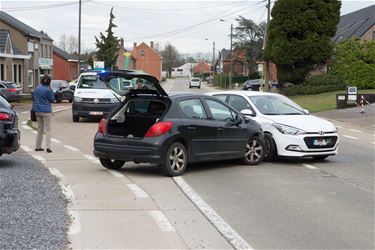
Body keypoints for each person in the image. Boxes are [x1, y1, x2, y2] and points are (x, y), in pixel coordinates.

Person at [33, 74, 54, 153]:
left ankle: (38, 146)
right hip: (46, 111)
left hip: (37, 110)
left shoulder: (37, 88)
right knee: (48, 129)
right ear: (49, 82)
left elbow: (34, 97)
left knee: (40, 129)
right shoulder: (48, 90)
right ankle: (48, 147)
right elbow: (52, 99)